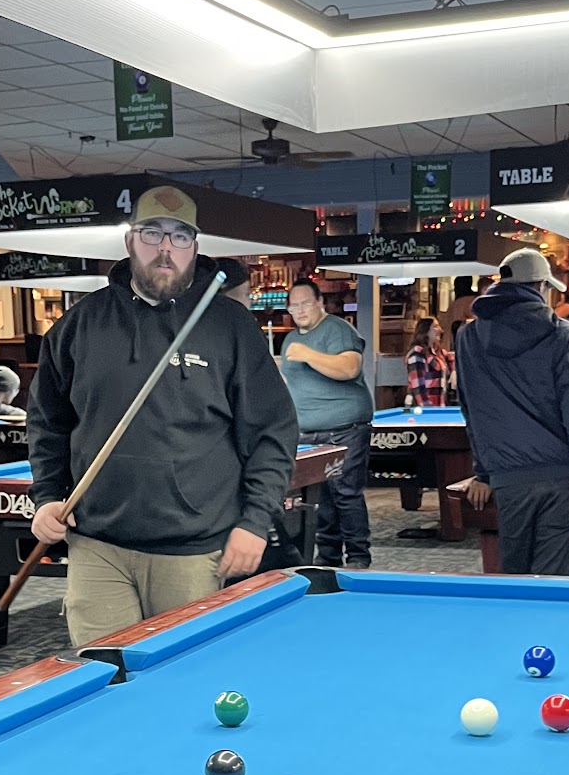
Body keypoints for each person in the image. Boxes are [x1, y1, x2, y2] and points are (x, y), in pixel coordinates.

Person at [29, 186, 298, 649]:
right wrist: (48, 496)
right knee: (105, 671)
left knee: (190, 675)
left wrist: (255, 521)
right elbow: (47, 421)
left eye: (179, 236)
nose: (165, 248)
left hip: (193, 548)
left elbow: (273, 430)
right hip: (96, 543)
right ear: (130, 241)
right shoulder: (81, 323)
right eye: (152, 233)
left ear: (194, 246)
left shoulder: (231, 326)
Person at [454, 247, 569, 576]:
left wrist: (485, 472)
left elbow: (471, 410)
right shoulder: (562, 333)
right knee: (552, 584)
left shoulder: (468, 337)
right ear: (541, 286)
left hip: (507, 479)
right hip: (560, 477)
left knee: (515, 580)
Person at [279, 274, 372, 569]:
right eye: (294, 306)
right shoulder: (291, 339)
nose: (300, 310)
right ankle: (328, 558)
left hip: (344, 430)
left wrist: (307, 354)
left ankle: (358, 556)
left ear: (320, 302)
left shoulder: (337, 329)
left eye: (306, 303)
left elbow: (349, 368)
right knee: (319, 499)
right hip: (307, 432)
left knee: (345, 494)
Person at [404, 317, 450, 407]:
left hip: (436, 407)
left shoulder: (436, 353)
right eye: (435, 326)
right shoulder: (417, 354)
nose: (440, 330)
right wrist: (427, 410)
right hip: (421, 409)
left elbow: (451, 357)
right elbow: (418, 387)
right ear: (425, 330)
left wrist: (454, 371)